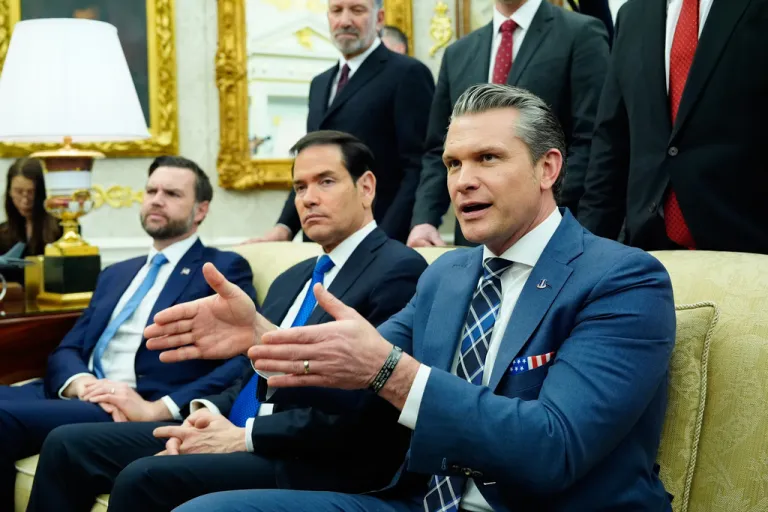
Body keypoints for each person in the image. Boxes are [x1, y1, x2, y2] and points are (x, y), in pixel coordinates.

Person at [149, 85, 677, 512]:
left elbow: (553, 448)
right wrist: (264, 339)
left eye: (487, 158)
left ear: (548, 169)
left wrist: (393, 372)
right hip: (418, 500)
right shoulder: (446, 273)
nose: (463, 182)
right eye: (452, 164)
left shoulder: (623, 279)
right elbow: (356, 379)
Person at [29, 131, 428, 512]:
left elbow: (364, 406)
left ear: (366, 188)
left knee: (144, 477)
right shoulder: (296, 275)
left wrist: (243, 437)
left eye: (325, 182)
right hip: (238, 428)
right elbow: (249, 374)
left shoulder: (396, 268)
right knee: (67, 444)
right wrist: (207, 415)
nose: (308, 199)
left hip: (309, 454)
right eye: (300, 187)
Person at [0, 156, 256, 511]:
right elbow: (69, 346)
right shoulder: (116, 272)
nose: (156, 199)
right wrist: (81, 383)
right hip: (82, 393)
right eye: (151, 190)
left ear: (200, 210)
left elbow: (242, 357)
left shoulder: (221, 268)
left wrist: (159, 407)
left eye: (171, 193)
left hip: (131, 406)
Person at [408, 0, 609, 248]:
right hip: (475, 243)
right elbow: (439, 148)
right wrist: (425, 220)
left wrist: (528, 204)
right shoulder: (458, 52)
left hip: (552, 234)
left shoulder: (581, 33)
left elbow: (594, 139)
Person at [577, 0, 768, 253]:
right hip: (649, 250)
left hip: (747, 251)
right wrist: (584, 253)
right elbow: (611, 143)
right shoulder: (633, 15)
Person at [248, 0, 434, 244]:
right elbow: (307, 165)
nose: (345, 20)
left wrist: (382, 240)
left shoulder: (407, 73)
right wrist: (284, 228)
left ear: (379, 18)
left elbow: (417, 166)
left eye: (357, 10)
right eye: (337, 10)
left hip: (378, 239)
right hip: (320, 243)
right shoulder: (320, 84)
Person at [0, 157, 62, 283]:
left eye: (31, 192)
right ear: (9, 192)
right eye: (18, 192)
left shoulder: (62, 229)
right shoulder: (2, 232)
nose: (25, 200)